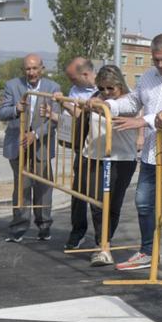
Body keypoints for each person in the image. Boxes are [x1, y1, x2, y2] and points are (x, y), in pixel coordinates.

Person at [94, 33, 162, 277]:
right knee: (143, 202)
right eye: (156, 60)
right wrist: (108, 105)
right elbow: (133, 100)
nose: (161, 65)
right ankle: (146, 251)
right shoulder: (147, 77)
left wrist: (141, 121)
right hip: (152, 151)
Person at [83, 64, 142, 268]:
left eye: (111, 89)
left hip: (121, 157)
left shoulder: (130, 101)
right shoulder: (96, 97)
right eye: (103, 88)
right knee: (96, 201)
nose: (106, 93)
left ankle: (104, 245)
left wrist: (102, 105)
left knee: (113, 203)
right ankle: (102, 243)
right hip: (94, 154)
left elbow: (124, 117)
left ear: (120, 85)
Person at [0, 53, 61, 243]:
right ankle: (18, 227)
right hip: (18, 145)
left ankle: (44, 226)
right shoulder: (12, 85)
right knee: (22, 187)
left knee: (43, 189)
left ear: (42, 68)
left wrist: (36, 134)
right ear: (23, 70)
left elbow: (55, 120)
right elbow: (1, 113)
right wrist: (16, 109)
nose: (31, 72)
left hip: (40, 144)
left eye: (35, 68)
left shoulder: (53, 88)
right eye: (27, 69)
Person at [62, 56, 99, 251]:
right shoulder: (75, 90)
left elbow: (86, 116)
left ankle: (102, 238)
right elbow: (73, 118)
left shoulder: (105, 87)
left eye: (74, 79)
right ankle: (77, 231)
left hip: (102, 148)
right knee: (78, 193)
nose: (71, 83)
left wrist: (68, 105)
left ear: (85, 74)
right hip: (82, 149)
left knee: (98, 196)